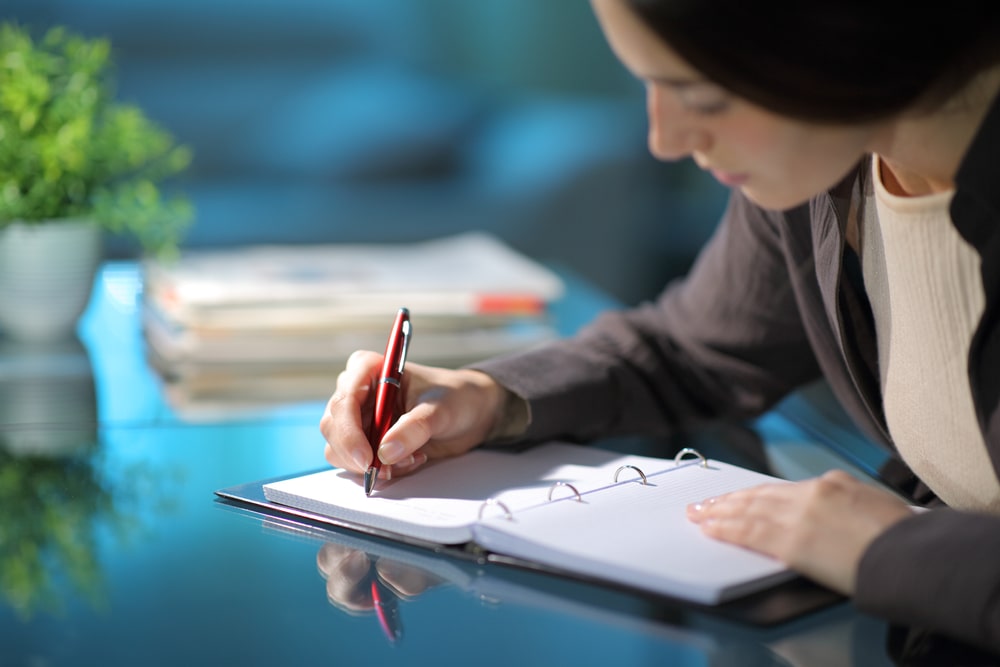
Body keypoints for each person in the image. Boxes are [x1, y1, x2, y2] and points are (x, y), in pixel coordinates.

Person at [321, 0, 1000, 653]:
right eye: (648, 81)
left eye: (702, 96)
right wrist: (485, 396)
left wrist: (886, 551)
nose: (665, 140)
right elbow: (691, 346)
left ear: (851, 33)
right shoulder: (829, 163)